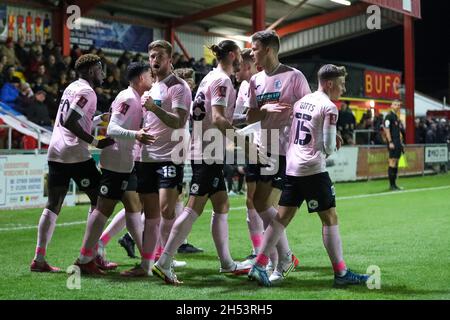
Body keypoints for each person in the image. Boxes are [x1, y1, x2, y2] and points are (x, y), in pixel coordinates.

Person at [248, 64, 369, 287]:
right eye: (341, 84)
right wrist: (330, 145)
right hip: (312, 169)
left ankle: (259, 264)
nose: (343, 89)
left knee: (281, 218)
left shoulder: (302, 102)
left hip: (292, 166)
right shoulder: (329, 107)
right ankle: (341, 273)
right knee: (329, 217)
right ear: (330, 83)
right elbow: (329, 146)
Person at [153, 40, 257, 285]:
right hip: (207, 152)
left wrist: (246, 117)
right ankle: (164, 262)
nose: (242, 59)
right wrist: (243, 143)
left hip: (206, 149)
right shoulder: (222, 80)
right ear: (232, 55)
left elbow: (215, 116)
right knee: (192, 209)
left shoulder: (210, 77)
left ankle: (226, 263)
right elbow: (220, 119)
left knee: (221, 204)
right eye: (240, 55)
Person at [30, 54, 115, 272]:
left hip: (56, 150)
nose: (103, 74)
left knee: (53, 204)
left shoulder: (72, 87)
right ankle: (91, 255)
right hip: (74, 154)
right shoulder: (88, 91)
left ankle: (39, 259)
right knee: (101, 200)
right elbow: (69, 122)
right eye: (100, 69)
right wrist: (96, 141)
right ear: (89, 71)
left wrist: (96, 120)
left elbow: (70, 117)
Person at [74, 62, 156, 275]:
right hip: (116, 163)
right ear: (140, 80)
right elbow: (112, 128)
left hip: (125, 162)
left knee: (133, 209)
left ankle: (148, 259)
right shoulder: (128, 98)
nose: (153, 80)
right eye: (150, 76)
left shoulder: (137, 99)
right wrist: (136, 135)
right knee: (104, 209)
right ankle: (84, 258)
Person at [120, 40, 193, 276]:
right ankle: (146, 265)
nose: (155, 60)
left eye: (160, 56)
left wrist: (154, 108)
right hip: (146, 157)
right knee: (150, 214)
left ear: (170, 59)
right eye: (151, 56)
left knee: (166, 209)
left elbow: (179, 121)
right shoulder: (150, 87)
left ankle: (167, 260)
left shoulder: (179, 87)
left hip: (169, 157)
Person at [245, 30, 310, 280]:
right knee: (261, 203)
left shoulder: (294, 76)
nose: (252, 53)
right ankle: (284, 256)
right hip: (265, 147)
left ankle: (281, 260)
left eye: (255, 48)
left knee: (268, 204)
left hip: (287, 149)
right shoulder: (255, 80)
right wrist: (264, 109)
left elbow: (309, 109)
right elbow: (249, 115)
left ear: (269, 49)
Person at [383, 100, 404, 191]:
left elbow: (398, 131)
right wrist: (390, 141)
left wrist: (400, 142)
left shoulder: (396, 117)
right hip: (393, 142)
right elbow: (386, 129)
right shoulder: (389, 116)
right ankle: (391, 185)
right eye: (395, 104)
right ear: (391, 105)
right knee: (392, 161)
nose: (397, 106)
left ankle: (394, 184)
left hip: (398, 142)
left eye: (398, 105)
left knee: (396, 162)